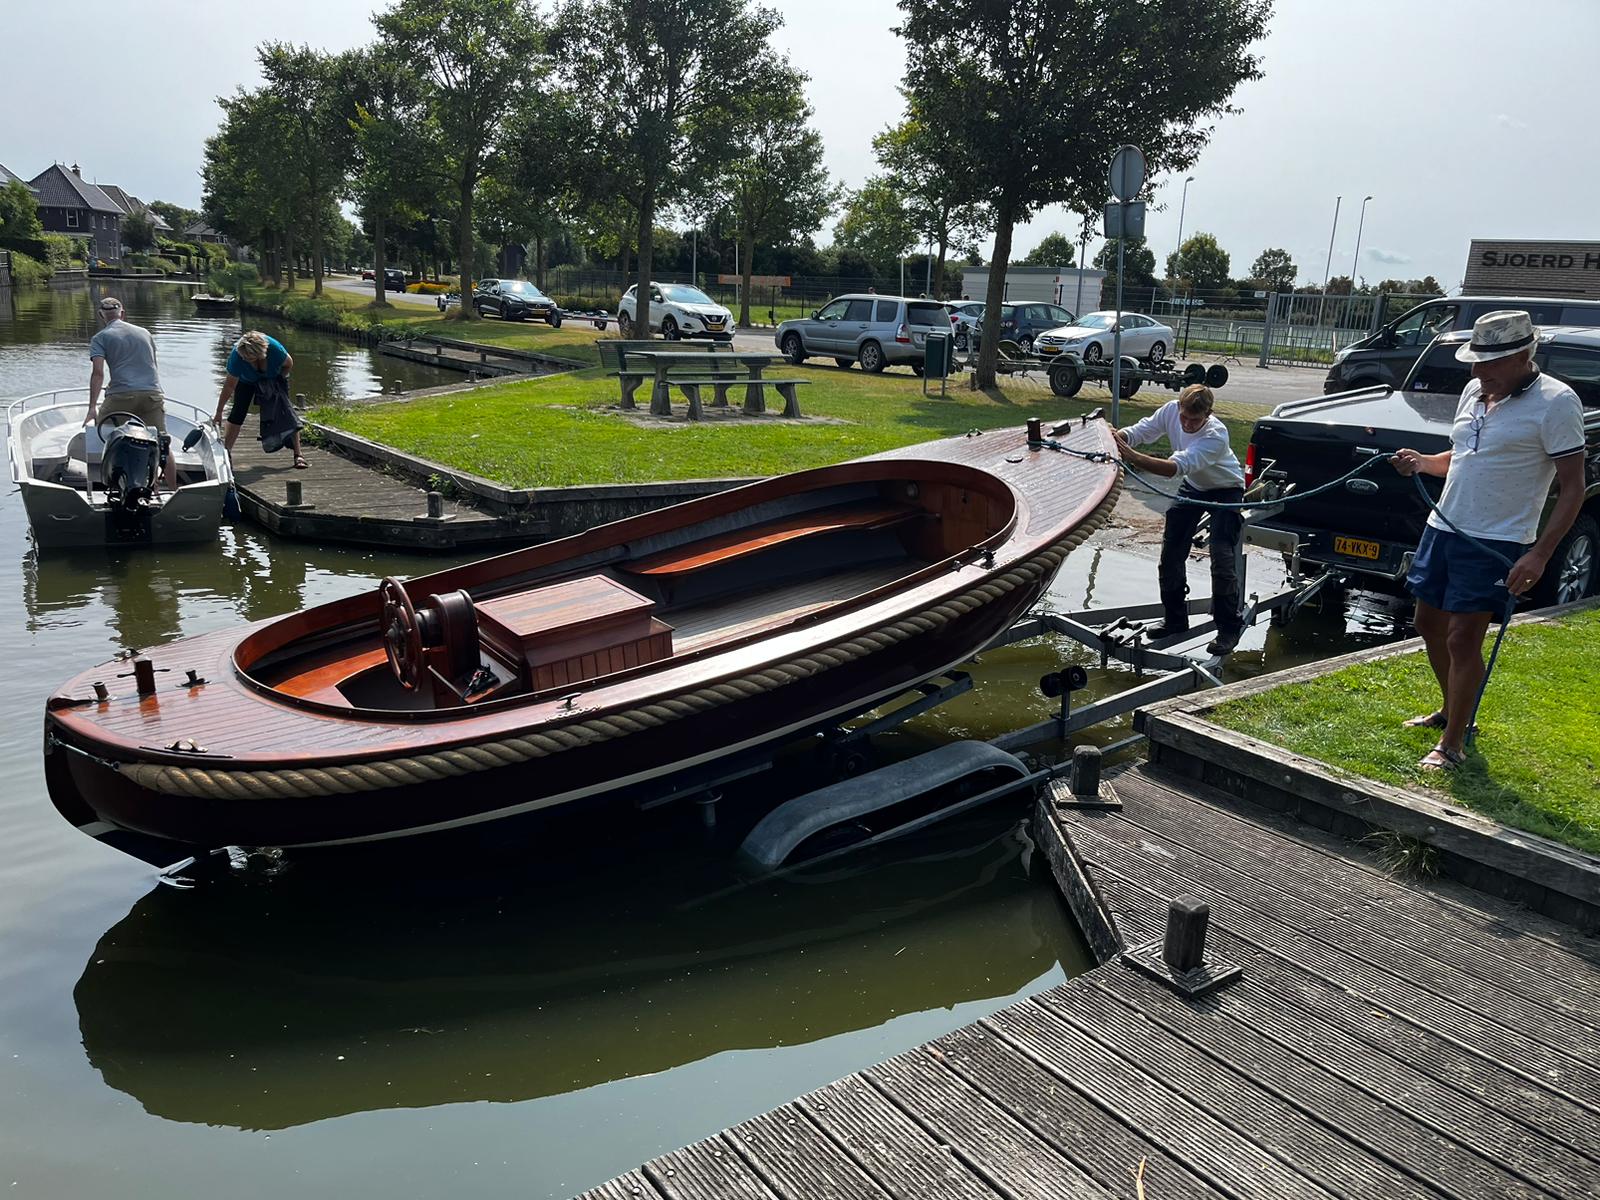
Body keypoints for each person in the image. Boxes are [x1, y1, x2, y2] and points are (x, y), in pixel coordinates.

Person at [1391, 310, 1585, 770]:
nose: (1478, 371)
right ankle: (1452, 710)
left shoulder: (1558, 402)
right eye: (1475, 362)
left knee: (1463, 638)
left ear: (1523, 355)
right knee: (1428, 624)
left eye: (1490, 362)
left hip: (1497, 540)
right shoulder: (1474, 391)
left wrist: (1539, 554)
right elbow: (1463, 455)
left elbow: (1573, 488)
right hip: (1444, 527)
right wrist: (1422, 462)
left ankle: (1453, 744)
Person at [1113, 384, 1247, 655]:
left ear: (1208, 414)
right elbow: (1141, 431)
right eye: (1184, 417)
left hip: (1226, 488)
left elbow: (1174, 468)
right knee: (1171, 551)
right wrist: (1117, 437)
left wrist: (1131, 456)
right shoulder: (1170, 411)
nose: (1186, 424)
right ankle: (1175, 619)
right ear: (1179, 407)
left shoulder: (1216, 435)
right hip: (1194, 485)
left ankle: (1228, 629)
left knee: (1221, 557)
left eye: (1194, 420)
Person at [87, 296, 175, 487]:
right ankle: (171, 490)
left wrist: (92, 407)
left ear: (101, 316)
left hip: (121, 397)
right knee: (161, 442)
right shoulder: (145, 333)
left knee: (103, 435)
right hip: (152, 394)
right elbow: (153, 365)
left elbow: (98, 373)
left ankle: (105, 486)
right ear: (123, 314)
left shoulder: (100, 338)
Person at [215, 330, 307, 468]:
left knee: (287, 412)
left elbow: (289, 364)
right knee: (238, 413)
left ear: (261, 354)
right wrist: (219, 412)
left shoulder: (275, 350)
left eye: (250, 359)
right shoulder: (237, 356)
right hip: (246, 381)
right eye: (244, 358)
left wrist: (277, 382)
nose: (246, 360)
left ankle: (298, 455)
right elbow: (229, 386)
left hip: (274, 378)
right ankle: (227, 452)